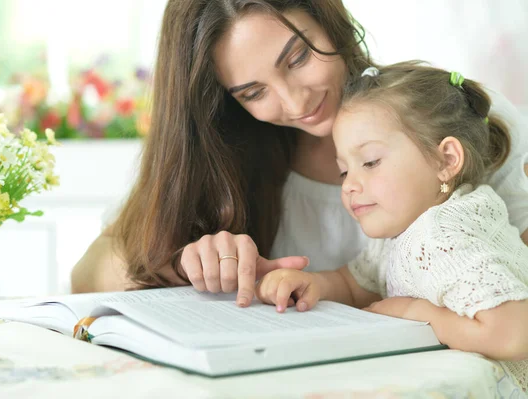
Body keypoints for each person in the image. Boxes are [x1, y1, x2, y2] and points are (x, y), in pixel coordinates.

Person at [71, 0, 528, 308]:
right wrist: (187, 262)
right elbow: (87, 274)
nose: (295, 103)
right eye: (253, 92)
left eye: (297, 58)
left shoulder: (455, 117)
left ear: (329, 20)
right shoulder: (222, 154)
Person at [255, 62, 528, 388]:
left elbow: (514, 334)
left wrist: (417, 313)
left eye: (370, 162)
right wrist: (312, 284)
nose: (349, 185)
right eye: (344, 171)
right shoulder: (406, 229)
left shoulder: (447, 234)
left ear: (446, 160)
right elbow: (359, 282)